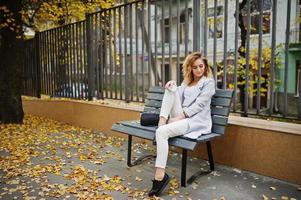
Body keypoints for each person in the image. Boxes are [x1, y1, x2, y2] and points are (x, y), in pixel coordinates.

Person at [148, 52, 215, 197]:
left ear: (205, 66)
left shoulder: (208, 82)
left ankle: (159, 176)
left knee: (161, 133)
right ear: (190, 68)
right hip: (182, 116)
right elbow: (176, 97)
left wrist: (179, 117)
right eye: (195, 67)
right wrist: (172, 85)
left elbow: (200, 105)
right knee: (171, 88)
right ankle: (162, 122)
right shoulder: (187, 81)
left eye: (201, 66)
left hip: (195, 121)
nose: (198, 69)